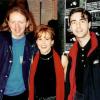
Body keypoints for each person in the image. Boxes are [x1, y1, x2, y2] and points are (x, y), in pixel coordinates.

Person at [0, 6, 37, 100]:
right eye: (13, 22)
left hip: (23, 94)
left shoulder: (32, 44)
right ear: (8, 23)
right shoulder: (1, 40)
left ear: (27, 23)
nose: (17, 26)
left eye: (21, 22)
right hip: (2, 94)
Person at [65, 7, 100, 100]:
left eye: (82, 21)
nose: (78, 26)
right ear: (70, 27)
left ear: (89, 24)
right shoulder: (72, 53)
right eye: (74, 22)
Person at [29, 24, 64, 100]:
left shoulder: (62, 59)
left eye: (47, 39)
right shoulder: (33, 58)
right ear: (36, 42)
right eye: (40, 39)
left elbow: (68, 85)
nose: (43, 43)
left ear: (52, 42)